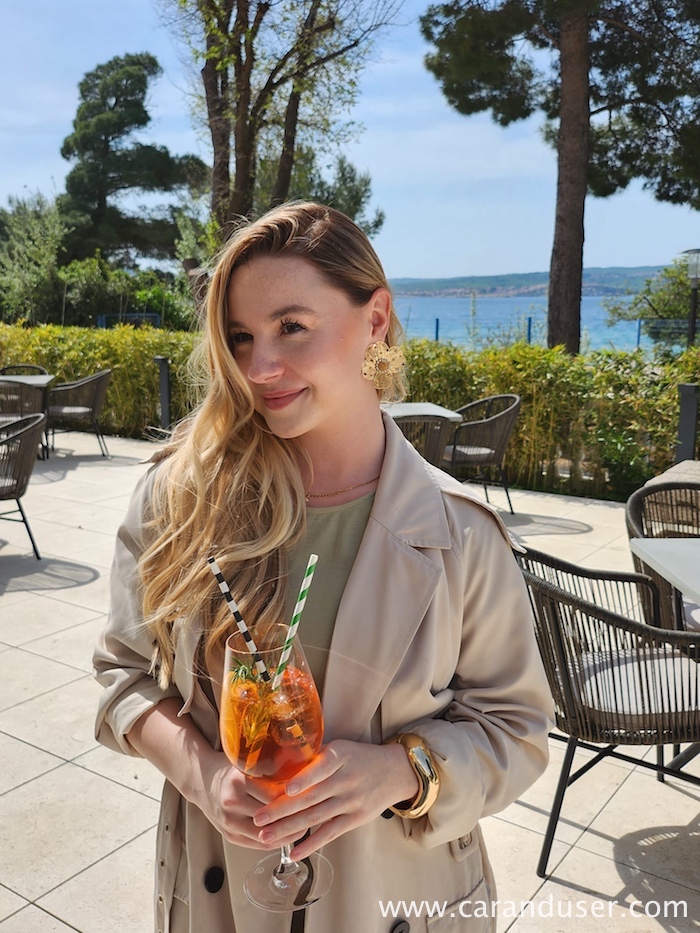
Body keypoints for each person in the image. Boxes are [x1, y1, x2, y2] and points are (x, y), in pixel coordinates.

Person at [94, 201, 553, 933]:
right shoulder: (178, 500)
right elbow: (125, 672)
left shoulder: (460, 532)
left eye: (292, 327)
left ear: (376, 319)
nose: (259, 368)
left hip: (397, 900)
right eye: (241, 337)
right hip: (220, 898)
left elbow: (519, 729)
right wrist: (204, 777)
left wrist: (403, 770)